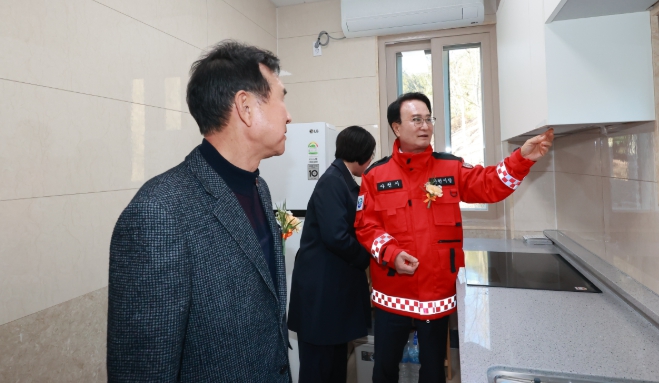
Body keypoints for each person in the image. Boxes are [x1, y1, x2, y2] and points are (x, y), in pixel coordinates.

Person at [107, 41, 293, 382]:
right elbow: (144, 369)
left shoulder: (260, 188)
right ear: (245, 107)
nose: (288, 114)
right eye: (281, 98)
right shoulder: (159, 212)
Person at [355, 92, 554, 383]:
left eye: (428, 119)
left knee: (434, 372)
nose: (425, 126)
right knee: (384, 371)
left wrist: (521, 159)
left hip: (437, 293)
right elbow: (365, 226)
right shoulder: (376, 175)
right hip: (393, 295)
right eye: (416, 120)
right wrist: (392, 254)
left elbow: (489, 185)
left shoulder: (450, 167)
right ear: (396, 127)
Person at [288, 126, 376, 383]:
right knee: (319, 369)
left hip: (333, 292)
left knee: (335, 365)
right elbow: (336, 236)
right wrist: (365, 258)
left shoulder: (343, 180)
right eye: (370, 154)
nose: (371, 160)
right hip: (321, 294)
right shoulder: (332, 182)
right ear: (361, 154)